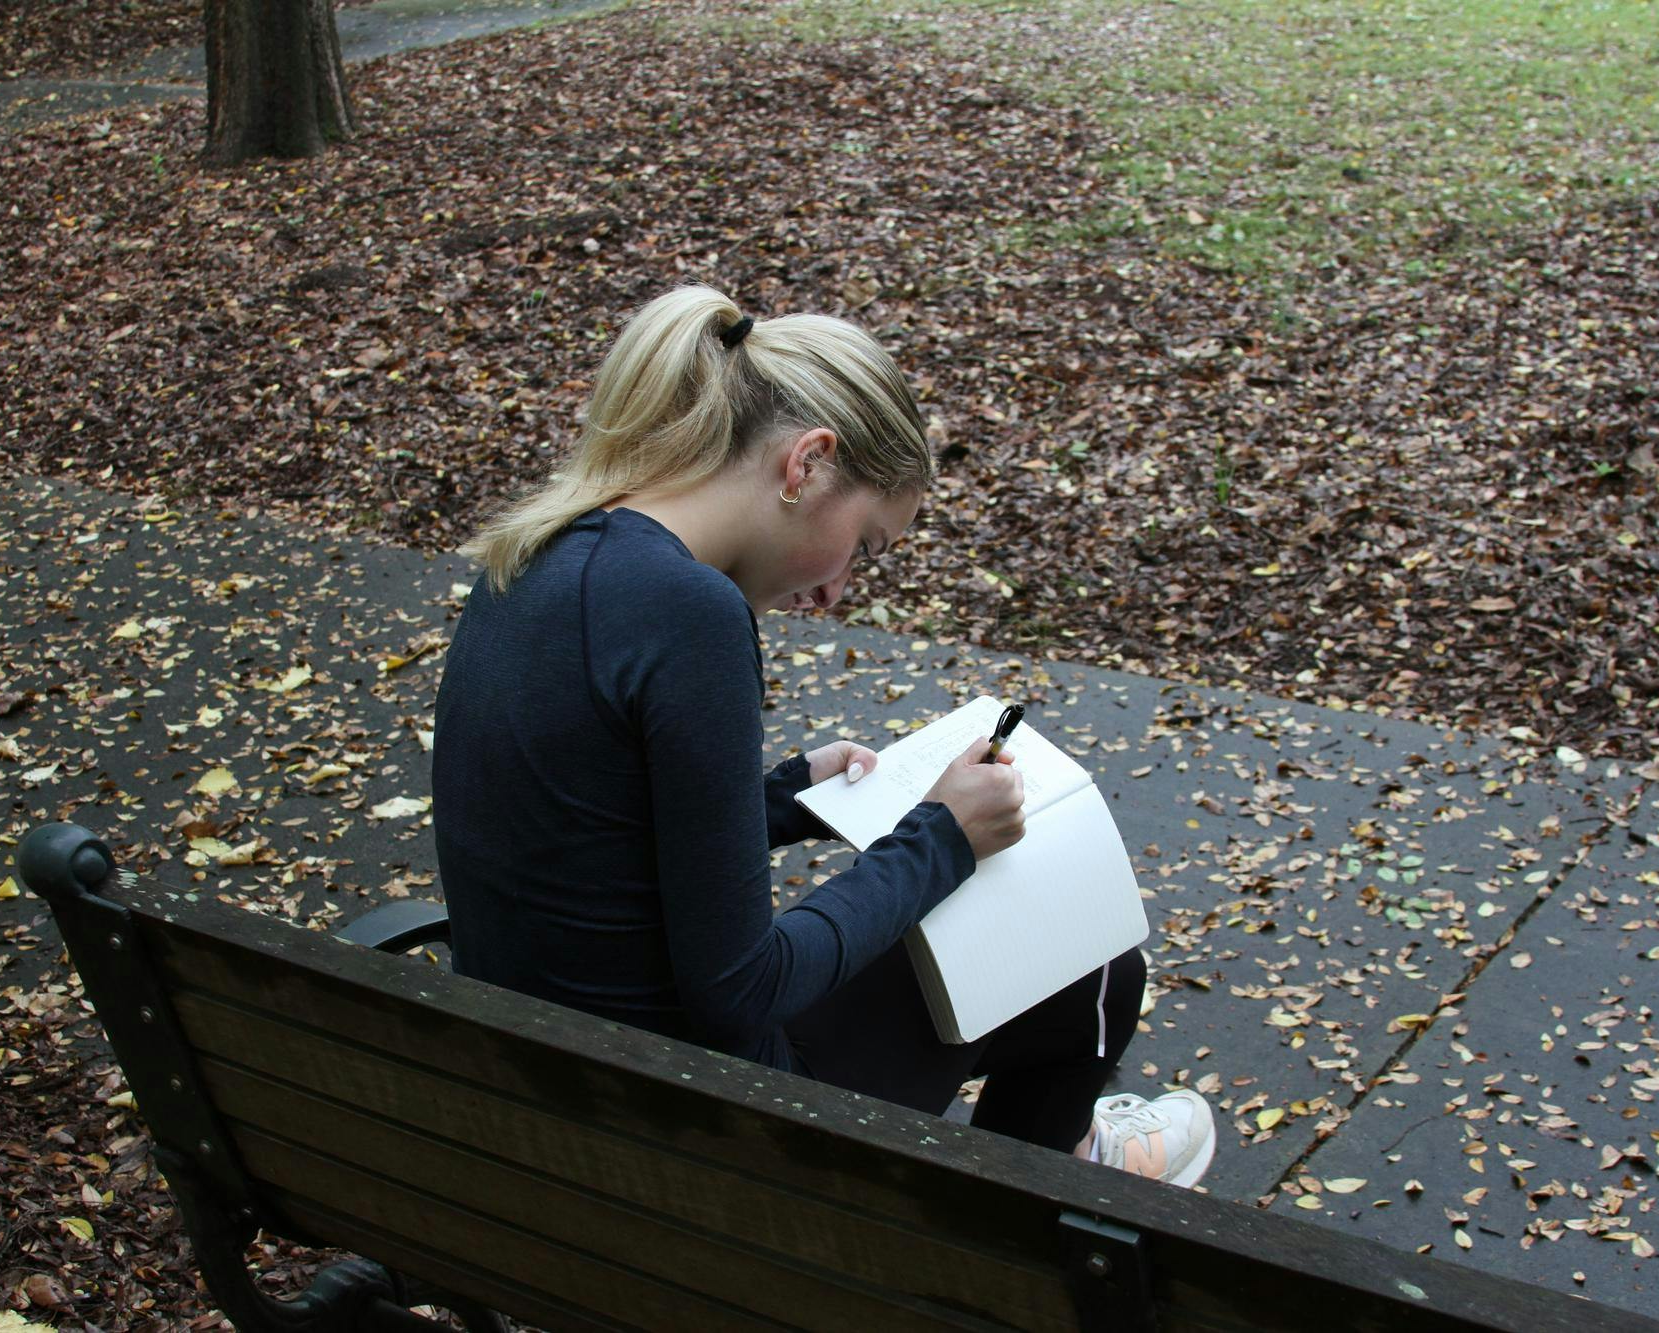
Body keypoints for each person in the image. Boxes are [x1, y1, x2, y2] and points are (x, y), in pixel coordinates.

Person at [431, 283, 1217, 1187]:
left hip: (538, 1082)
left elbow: (576, 831)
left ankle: (1063, 1160)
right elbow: (739, 992)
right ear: (807, 463)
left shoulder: (541, 555)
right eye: (866, 545)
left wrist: (780, 797)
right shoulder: (694, 617)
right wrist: (942, 835)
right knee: (1083, 946)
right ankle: (1039, 1227)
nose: (840, 591)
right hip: (698, 1127)